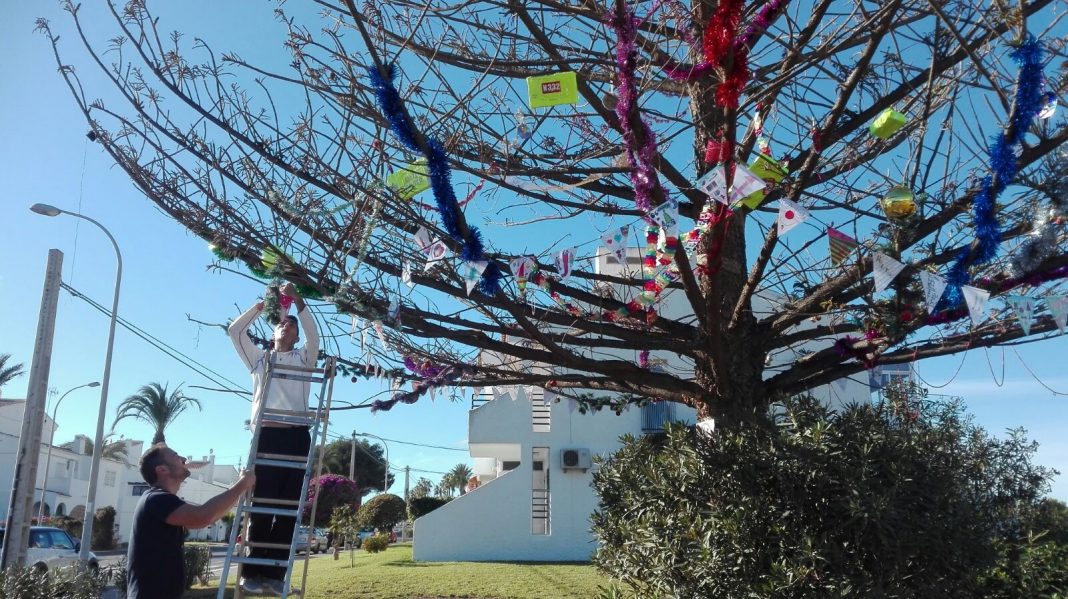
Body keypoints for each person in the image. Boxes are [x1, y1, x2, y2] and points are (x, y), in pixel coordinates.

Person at [229, 281, 319, 596]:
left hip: (297, 437)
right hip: (267, 435)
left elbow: (314, 334)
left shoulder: (305, 360)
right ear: (273, 331)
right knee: (263, 504)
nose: (286, 328)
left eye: (291, 327)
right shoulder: (259, 360)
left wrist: (297, 301)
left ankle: (276, 574)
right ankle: (251, 571)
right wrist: (261, 307)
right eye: (281, 324)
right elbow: (235, 333)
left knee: (289, 506)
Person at [127, 444, 255, 599]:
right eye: (175, 456)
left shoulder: (160, 500)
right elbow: (202, 517)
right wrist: (243, 484)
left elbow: (210, 515)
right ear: (162, 470)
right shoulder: (156, 499)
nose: (183, 459)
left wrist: (240, 489)